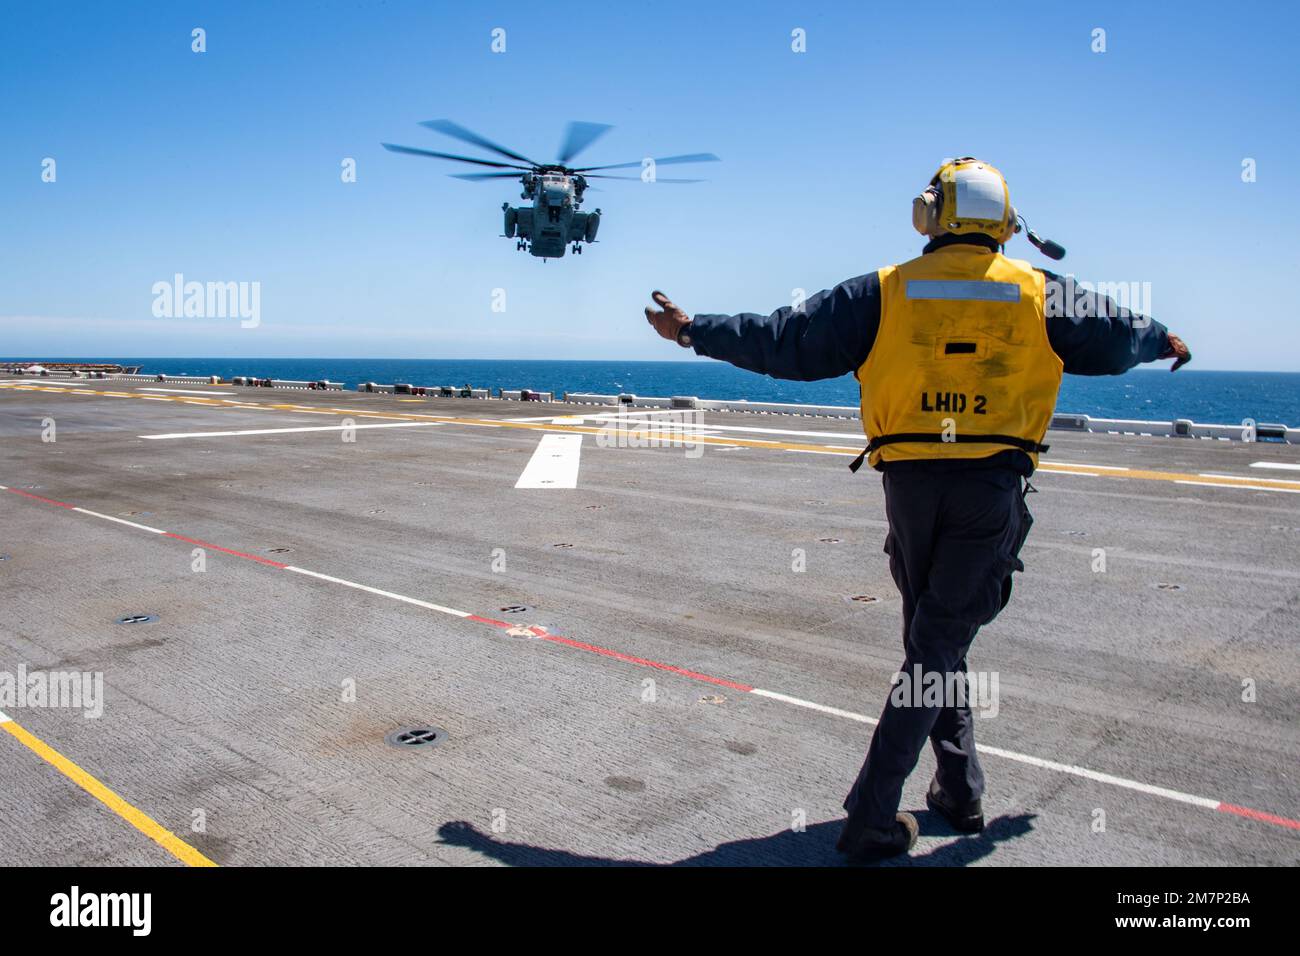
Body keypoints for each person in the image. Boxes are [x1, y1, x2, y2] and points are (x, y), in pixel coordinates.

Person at [644, 157, 1191, 861]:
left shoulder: (883, 291)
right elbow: (1120, 337)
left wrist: (694, 331)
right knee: (938, 647)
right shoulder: (1040, 291)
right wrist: (1163, 338)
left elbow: (783, 340)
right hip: (988, 491)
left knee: (934, 644)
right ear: (1003, 223)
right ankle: (873, 814)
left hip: (909, 489)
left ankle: (959, 791)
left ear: (927, 215)